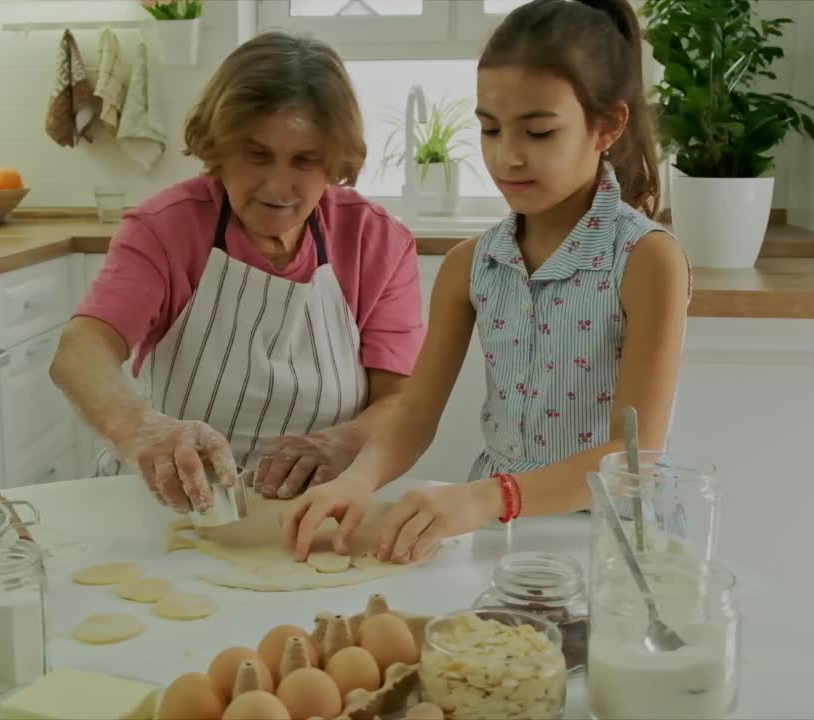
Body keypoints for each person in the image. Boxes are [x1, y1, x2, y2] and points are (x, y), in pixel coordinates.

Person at [282, 0, 691, 562]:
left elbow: (633, 455)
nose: (508, 156)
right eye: (490, 129)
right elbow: (414, 414)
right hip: (501, 537)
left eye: (539, 132)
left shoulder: (646, 259)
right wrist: (356, 480)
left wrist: (487, 497)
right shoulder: (470, 265)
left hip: (615, 544)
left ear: (607, 127)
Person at [51, 31, 425, 515]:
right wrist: (141, 429)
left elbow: (402, 403)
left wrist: (343, 441)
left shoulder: (375, 242)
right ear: (220, 147)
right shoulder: (168, 227)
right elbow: (81, 351)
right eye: (256, 154)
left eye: (305, 160)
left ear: (334, 161)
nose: (277, 185)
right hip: (175, 507)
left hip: (320, 512)